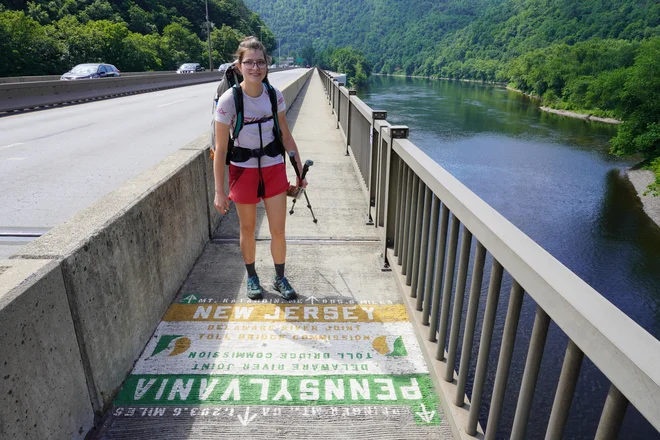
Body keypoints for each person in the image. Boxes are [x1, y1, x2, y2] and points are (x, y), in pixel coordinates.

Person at [213, 36, 307, 301]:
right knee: (248, 229)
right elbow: (220, 150)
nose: (256, 68)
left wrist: (299, 172)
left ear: (267, 64)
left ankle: (279, 278)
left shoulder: (273, 96)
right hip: (243, 171)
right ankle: (252, 278)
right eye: (249, 63)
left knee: (278, 229)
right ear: (239, 65)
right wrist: (219, 192)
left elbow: (286, 136)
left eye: (260, 62)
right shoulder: (229, 101)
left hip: (273, 167)